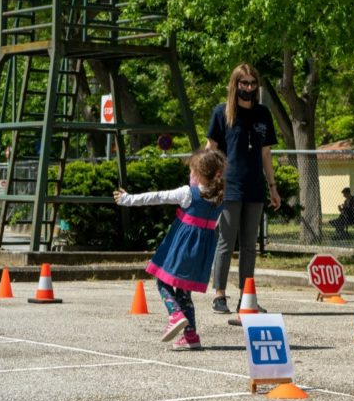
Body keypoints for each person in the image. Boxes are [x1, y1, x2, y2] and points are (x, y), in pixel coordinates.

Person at [113, 148, 226, 350]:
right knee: (184, 292)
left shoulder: (188, 193)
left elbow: (157, 196)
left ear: (198, 174)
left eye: (191, 171)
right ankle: (191, 336)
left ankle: (174, 314)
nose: (189, 174)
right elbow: (214, 225)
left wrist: (127, 199)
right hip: (203, 251)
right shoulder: (219, 197)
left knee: (162, 281)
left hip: (183, 246)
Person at [205, 63, 281, 321]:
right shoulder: (222, 113)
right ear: (235, 85)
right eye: (243, 83)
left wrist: (273, 187)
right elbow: (210, 149)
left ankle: (246, 299)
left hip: (255, 188)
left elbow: (266, 153)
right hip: (230, 186)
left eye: (252, 84)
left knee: (249, 246)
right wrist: (209, 180)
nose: (248, 88)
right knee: (226, 241)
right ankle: (219, 294)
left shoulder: (263, 114)